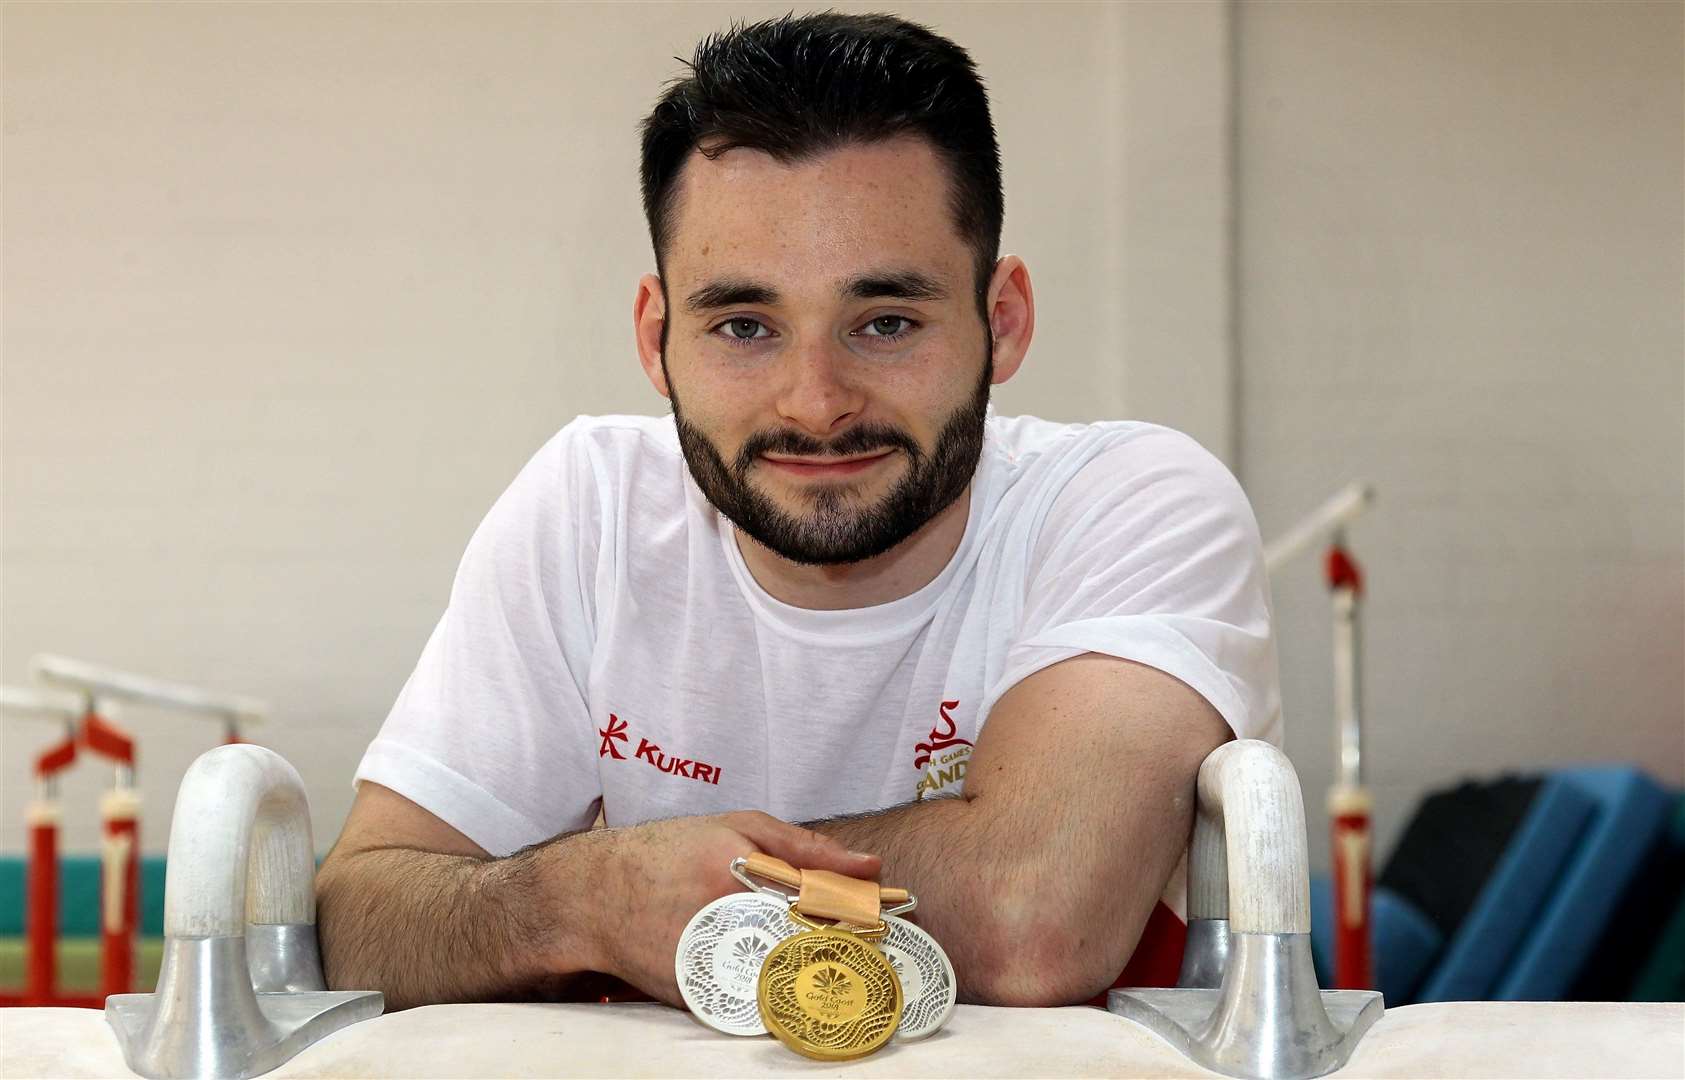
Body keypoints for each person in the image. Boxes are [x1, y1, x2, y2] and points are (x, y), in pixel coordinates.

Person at [316, 11, 1279, 1012]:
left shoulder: (1129, 502)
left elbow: (1027, 915)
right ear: (656, 339)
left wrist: (688, 889)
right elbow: (355, 922)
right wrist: (585, 896)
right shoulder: (590, 509)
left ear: (1002, 323)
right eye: (743, 325)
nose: (815, 401)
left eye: (886, 321)